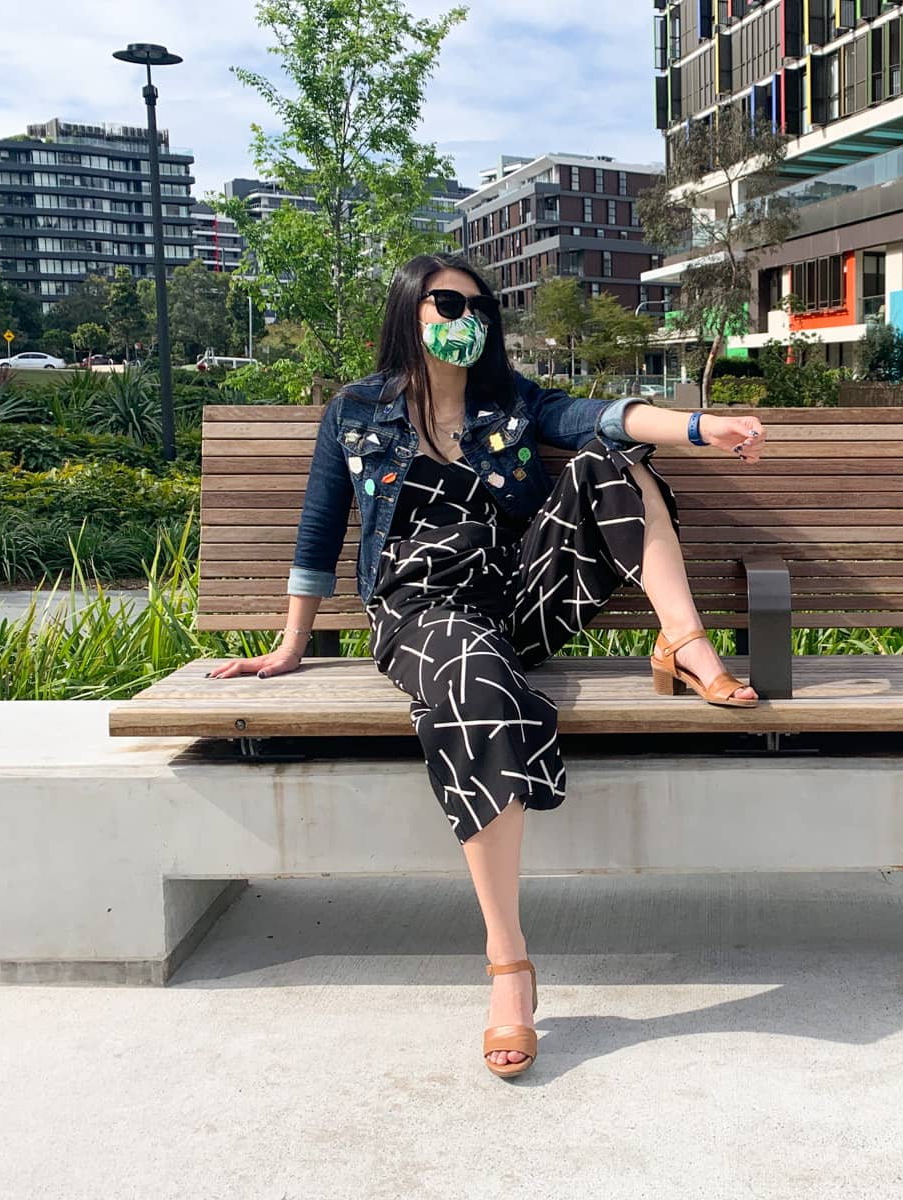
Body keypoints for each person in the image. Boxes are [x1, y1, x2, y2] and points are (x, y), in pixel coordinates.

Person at [206, 252, 767, 1079]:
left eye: (477, 305)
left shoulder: (513, 402)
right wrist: (292, 644)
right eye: (445, 302)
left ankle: (685, 642)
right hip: (420, 606)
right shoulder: (356, 412)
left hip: (513, 593)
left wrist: (697, 426)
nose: (463, 316)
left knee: (616, 462)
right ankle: (509, 965)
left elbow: (602, 416)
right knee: (472, 683)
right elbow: (319, 531)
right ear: (410, 310)